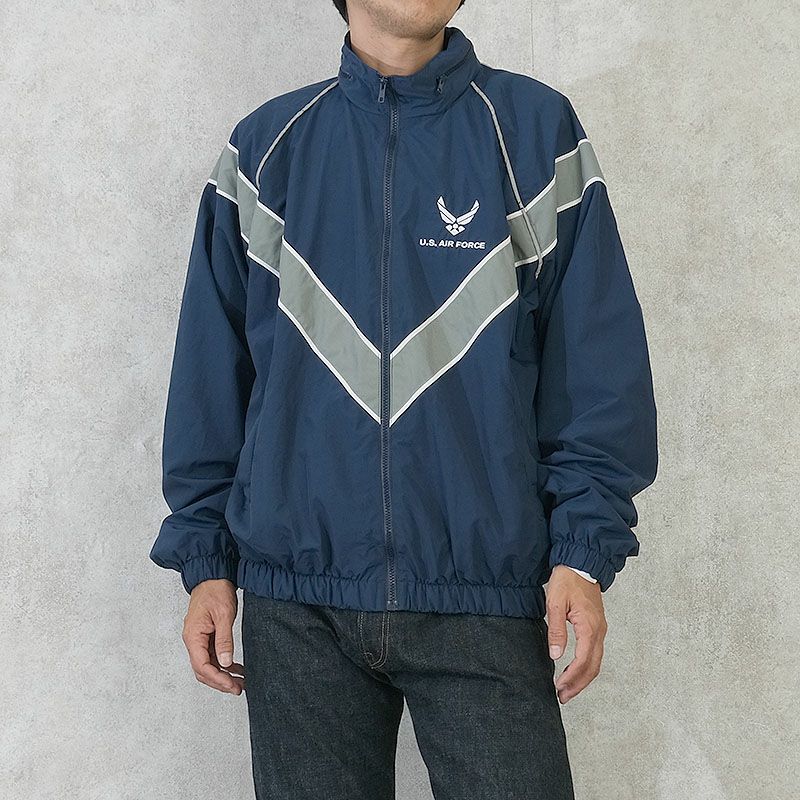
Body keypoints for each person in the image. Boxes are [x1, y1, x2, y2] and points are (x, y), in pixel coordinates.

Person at [149, 1, 659, 797]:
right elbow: (210, 378)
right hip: (297, 604)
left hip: (483, 594)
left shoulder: (533, 132)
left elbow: (597, 362)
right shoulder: (267, 149)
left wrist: (583, 554)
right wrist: (204, 558)